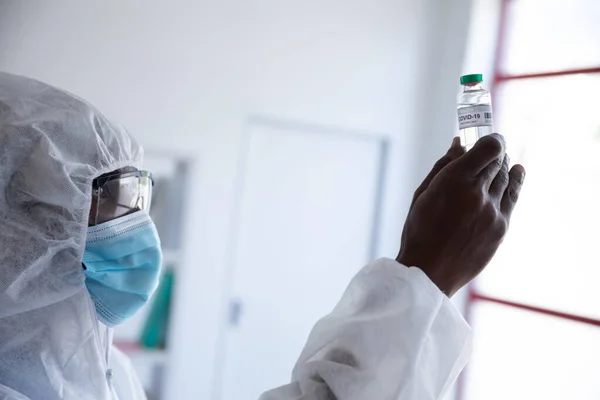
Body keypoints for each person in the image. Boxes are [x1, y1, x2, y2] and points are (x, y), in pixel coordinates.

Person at [0, 71, 524, 400]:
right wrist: (424, 274)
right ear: (22, 234)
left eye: (140, 201)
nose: (139, 229)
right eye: (112, 205)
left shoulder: (97, 364)